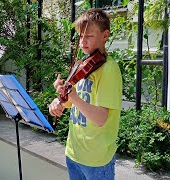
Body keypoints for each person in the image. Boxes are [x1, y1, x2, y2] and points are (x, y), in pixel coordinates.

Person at [49, 8, 122, 180]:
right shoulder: (83, 65)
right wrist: (58, 101)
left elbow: (100, 118)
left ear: (105, 35)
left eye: (88, 36)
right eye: (81, 36)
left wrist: (73, 96)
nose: (82, 42)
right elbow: (70, 101)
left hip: (96, 160)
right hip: (73, 153)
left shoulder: (108, 70)